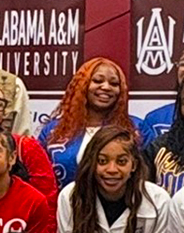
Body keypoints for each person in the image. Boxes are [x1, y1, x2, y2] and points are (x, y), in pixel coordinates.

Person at [37, 57, 144, 189]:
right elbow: (40, 178)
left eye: (114, 84)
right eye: (97, 81)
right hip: (64, 206)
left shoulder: (137, 128)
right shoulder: (54, 131)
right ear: (82, 85)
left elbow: (146, 177)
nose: (106, 87)